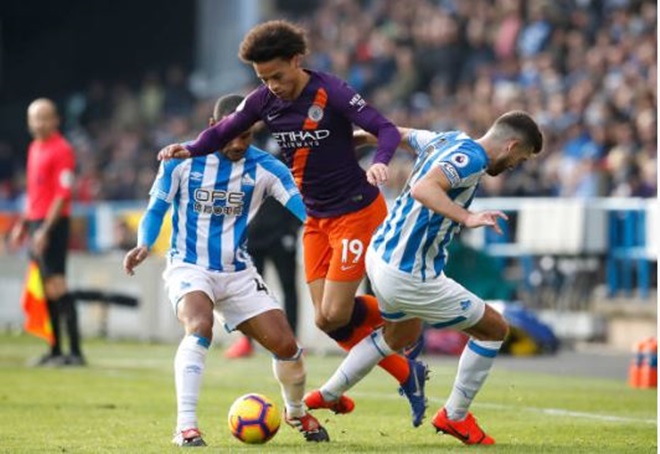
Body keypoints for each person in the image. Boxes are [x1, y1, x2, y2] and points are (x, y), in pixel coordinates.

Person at [157, 20, 428, 427]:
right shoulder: (263, 100)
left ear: (297, 60)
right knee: (326, 320)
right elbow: (223, 130)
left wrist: (381, 164)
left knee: (337, 313)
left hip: (357, 211)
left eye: (277, 76)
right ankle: (409, 365)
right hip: (318, 220)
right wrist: (189, 148)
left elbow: (385, 129)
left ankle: (409, 316)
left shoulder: (330, 90)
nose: (273, 86)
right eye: (263, 78)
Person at [311, 111, 543, 445]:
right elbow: (424, 188)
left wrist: (358, 137)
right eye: (518, 159)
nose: (513, 166)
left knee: (398, 335)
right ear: (511, 145)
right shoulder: (472, 158)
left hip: (381, 256)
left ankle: (329, 393)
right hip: (408, 272)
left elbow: (398, 133)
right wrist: (467, 216)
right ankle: (455, 416)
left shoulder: (446, 138)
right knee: (494, 329)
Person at [123, 94, 330, 447]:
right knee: (199, 325)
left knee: (287, 346)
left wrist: (335, 233)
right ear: (212, 127)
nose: (238, 143)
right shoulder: (180, 160)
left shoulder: (266, 167)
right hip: (189, 266)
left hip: (237, 272)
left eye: (246, 136)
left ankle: (295, 411)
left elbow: (305, 211)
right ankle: (186, 427)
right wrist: (144, 242)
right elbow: (157, 208)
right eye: (231, 134)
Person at [9, 98, 85, 367]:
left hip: (54, 224)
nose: (38, 123)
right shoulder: (34, 148)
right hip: (36, 222)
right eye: (34, 119)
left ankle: (74, 352)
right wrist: (23, 223)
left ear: (55, 120)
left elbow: (61, 196)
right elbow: (35, 192)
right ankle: (55, 350)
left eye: (44, 118)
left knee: (58, 285)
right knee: (46, 288)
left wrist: (44, 230)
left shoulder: (62, 149)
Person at [224, 194, 303, 359]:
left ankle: (293, 338)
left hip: (281, 235)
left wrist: (293, 229)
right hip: (252, 237)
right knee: (248, 290)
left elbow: (296, 196)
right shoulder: (245, 169)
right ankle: (247, 341)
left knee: (288, 287)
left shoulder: (283, 169)